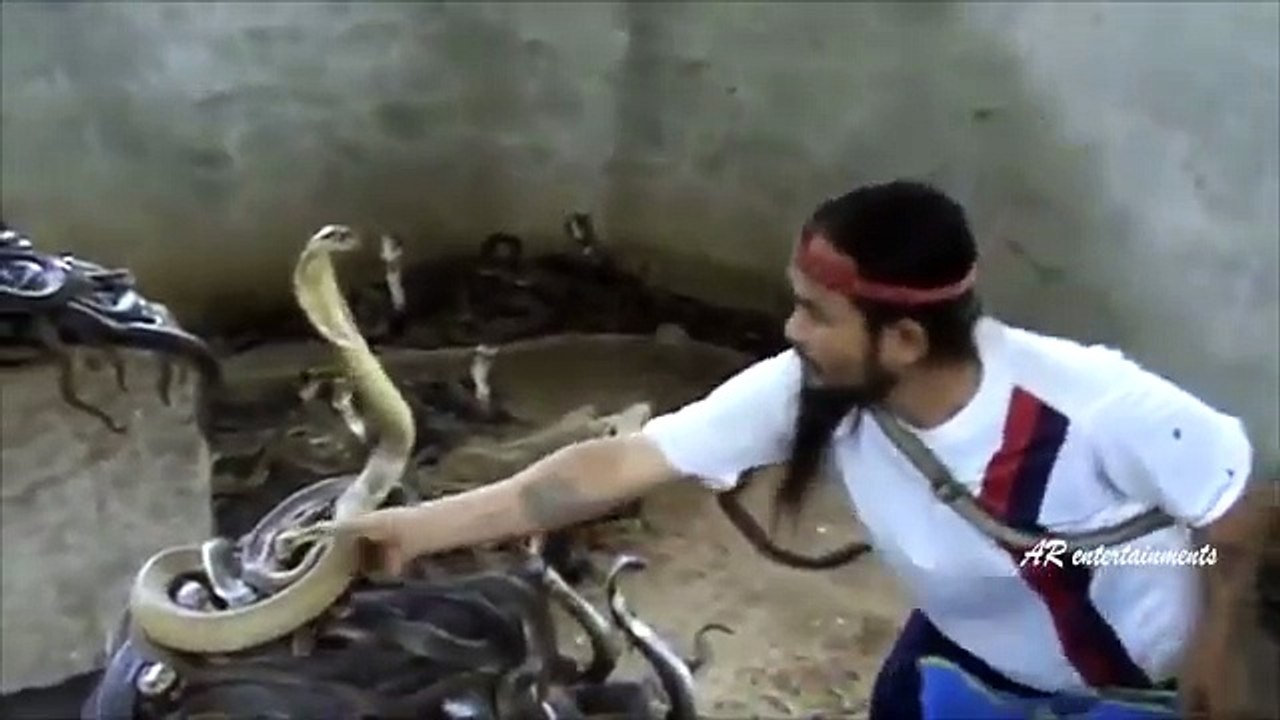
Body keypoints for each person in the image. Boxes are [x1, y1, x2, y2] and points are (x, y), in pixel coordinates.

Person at [333, 180, 1266, 719]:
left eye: (815, 312)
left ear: (902, 341)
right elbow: (609, 468)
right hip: (959, 656)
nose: (790, 329)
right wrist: (414, 530)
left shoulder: (1094, 404)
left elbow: (1236, 512)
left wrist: (1220, 649)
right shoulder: (806, 388)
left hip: (1132, 686)